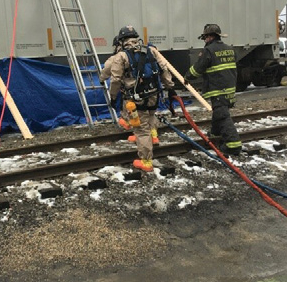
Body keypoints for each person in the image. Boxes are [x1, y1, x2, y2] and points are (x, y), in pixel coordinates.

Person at [109, 25, 177, 172]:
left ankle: (146, 161)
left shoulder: (121, 56)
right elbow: (164, 70)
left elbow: (115, 80)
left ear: (121, 41)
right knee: (151, 115)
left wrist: (113, 97)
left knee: (140, 130)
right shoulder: (151, 50)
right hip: (154, 94)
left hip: (135, 99)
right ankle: (154, 136)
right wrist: (170, 87)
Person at [184, 23, 242, 156]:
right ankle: (215, 134)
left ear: (210, 37)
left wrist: (187, 76)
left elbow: (197, 69)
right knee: (219, 112)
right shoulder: (229, 49)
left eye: (205, 37)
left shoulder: (208, 51)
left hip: (218, 89)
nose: (205, 40)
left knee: (222, 115)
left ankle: (233, 145)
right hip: (230, 88)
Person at [100, 37, 131, 130]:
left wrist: (101, 80)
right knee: (147, 115)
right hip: (149, 91)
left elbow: (107, 72)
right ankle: (153, 136)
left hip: (130, 92)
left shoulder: (118, 57)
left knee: (129, 114)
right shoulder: (143, 52)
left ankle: (135, 133)